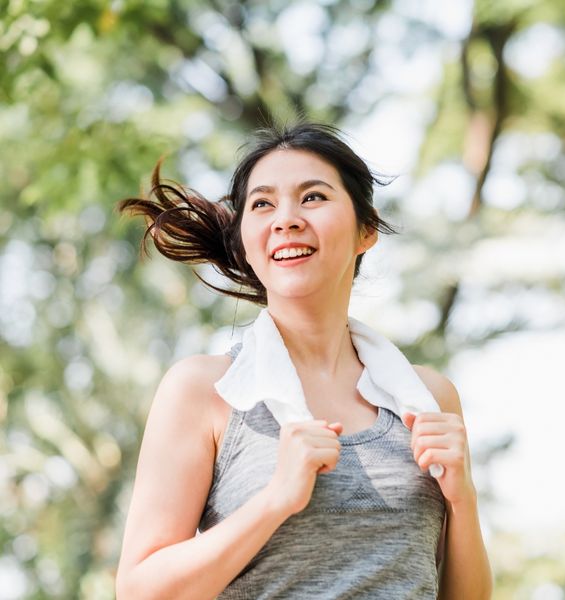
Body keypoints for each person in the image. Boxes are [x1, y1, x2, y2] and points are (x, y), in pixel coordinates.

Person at [115, 121, 493, 599]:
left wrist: (463, 498)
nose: (286, 218)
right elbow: (139, 592)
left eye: (313, 197)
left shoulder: (429, 399)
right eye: (262, 204)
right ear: (244, 242)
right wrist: (275, 500)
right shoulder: (204, 390)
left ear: (366, 229)